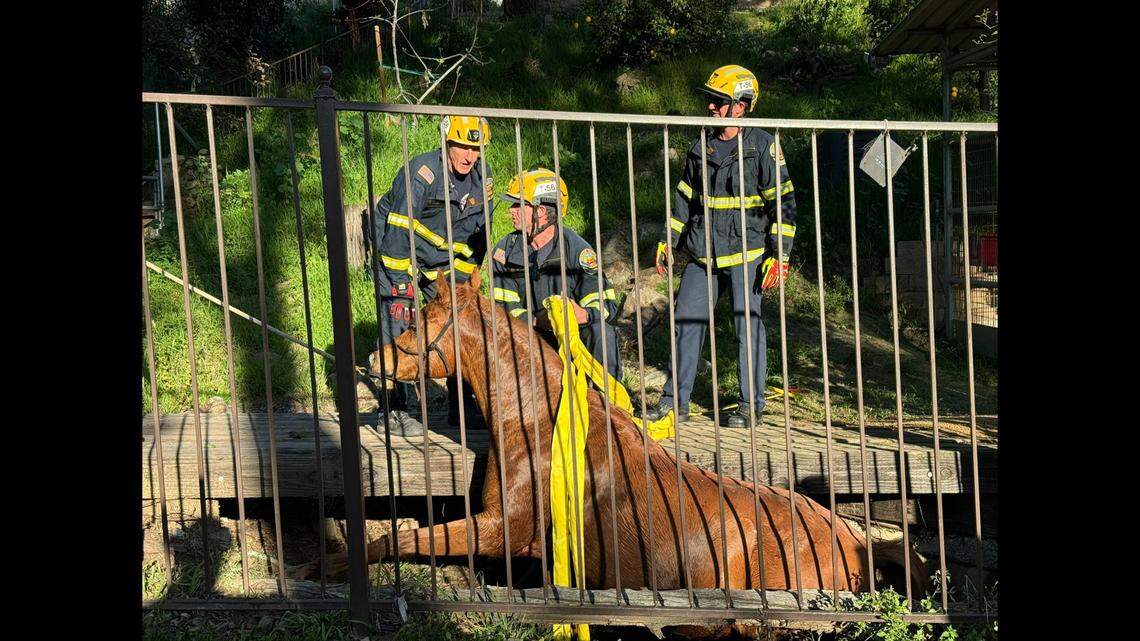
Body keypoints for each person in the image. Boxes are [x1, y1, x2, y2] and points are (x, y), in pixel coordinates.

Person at [647, 65, 797, 428]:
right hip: (704, 254)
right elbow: (685, 196)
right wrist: (669, 240)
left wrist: (780, 256)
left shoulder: (763, 146)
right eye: (709, 101)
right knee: (686, 321)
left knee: (748, 327)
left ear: (741, 106)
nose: (710, 107)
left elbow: (784, 202)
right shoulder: (700, 144)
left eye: (718, 102)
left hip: (748, 254)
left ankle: (751, 405)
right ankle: (674, 401)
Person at [369, 115, 494, 436]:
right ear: (446, 143)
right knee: (400, 317)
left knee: (458, 323)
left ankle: (462, 407)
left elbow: (477, 238)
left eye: (476, 148)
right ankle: (393, 409)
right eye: (463, 146)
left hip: (441, 264)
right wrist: (401, 282)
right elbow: (398, 230)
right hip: (400, 254)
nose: (470, 155)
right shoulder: (422, 174)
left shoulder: (484, 179)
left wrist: (461, 288)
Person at [490, 168, 621, 380]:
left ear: (540, 211)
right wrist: (536, 321)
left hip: (571, 340)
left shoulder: (579, 252)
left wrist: (583, 315)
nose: (511, 210)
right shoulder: (505, 252)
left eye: (518, 204)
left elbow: (606, 304)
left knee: (602, 333)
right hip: (526, 338)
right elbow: (501, 312)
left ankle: (609, 405)